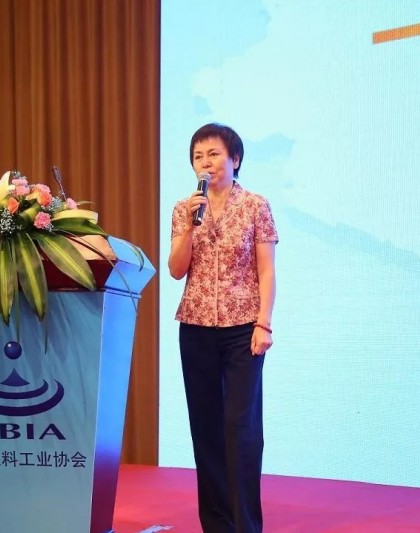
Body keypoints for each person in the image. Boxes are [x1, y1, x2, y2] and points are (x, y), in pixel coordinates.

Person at [168, 123, 278, 533]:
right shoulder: (184, 208)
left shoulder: (255, 206)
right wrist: (188, 229)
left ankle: (246, 524)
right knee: (206, 427)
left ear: (235, 159)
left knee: (240, 426)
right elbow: (176, 269)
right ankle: (216, 524)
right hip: (195, 327)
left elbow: (266, 271)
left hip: (243, 329)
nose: (206, 162)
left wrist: (264, 323)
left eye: (213, 154)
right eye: (198, 156)